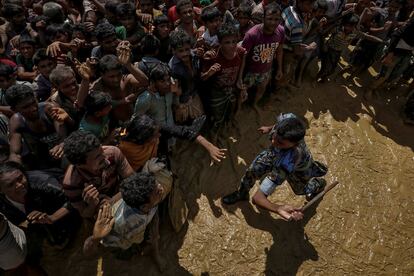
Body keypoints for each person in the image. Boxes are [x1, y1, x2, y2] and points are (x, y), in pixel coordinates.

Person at [222, 113, 328, 222]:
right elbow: (279, 124)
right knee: (252, 171)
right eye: (274, 136)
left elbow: (257, 198)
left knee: (301, 190)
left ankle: (318, 184)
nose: (273, 141)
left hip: (298, 169)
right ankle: (242, 193)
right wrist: (269, 129)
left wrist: (278, 208)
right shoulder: (289, 119)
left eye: (280, 142)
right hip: (274, 154)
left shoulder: (287, 162)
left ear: (295, 144)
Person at [134, 63, 226, 162]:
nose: (167, 84)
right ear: (153, 82)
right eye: (162, 81)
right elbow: (137, 121)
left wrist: (177, 94)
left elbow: (175, 105)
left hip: (171, 127)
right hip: (156, 136)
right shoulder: (145, 98)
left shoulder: (169, 90)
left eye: (168, 80)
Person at [83, 171, 169, 271]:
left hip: (141, 228)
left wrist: (154, 233)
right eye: (158, 192)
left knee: (153, 234)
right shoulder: (116, 223)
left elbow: (154, 211)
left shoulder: (149, 196)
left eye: (157, 183)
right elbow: (90, 255)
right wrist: (95, 239)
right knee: (129, 252)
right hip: (126, 241)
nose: (161, 188)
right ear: (144, 206)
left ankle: (154, 251)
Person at [62, 130, 134, 218]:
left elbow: (133, 181)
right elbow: (85, 214)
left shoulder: (113, 152)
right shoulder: (71, 184)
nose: (105, 157)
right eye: (97, 157)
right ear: (80, 165)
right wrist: (92, 205)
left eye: (101, 150)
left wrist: (112, 201)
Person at [6, 84, 66, 170]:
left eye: (33, 102)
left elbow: (63, 137)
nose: (33, 108)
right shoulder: (17, 121)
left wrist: (61, 145)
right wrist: (15, 171)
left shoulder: (49, 109)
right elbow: (15, 154)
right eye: (26, 107)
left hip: (63, 157)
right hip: (42, 165)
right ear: (14, 109)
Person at [201, 23, 246, 129]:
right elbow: (202, 77)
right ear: (220, 43)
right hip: (217, 91)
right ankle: (217, 129)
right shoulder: (213, 56)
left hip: (232, 88)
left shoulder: (240, 52)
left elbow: (243, 60)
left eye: (234, 41)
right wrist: (209, 73)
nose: (232, 45)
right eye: (227, 42)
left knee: (231, 107)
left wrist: (239, 79)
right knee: (217, 114)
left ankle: (228, 123)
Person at [241, 3, 284, 108]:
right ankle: (239, 110)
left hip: (266, 70)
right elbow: (243, 57)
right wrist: (240, 77)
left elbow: (279, 50)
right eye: (270, 19)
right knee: (242, 92)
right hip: (250, 72)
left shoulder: (281, 31)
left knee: (262, 88)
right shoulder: (252, 35)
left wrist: (279, 68)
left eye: (276, 19)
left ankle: (255, 104)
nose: (273, 22)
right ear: (263, 18)